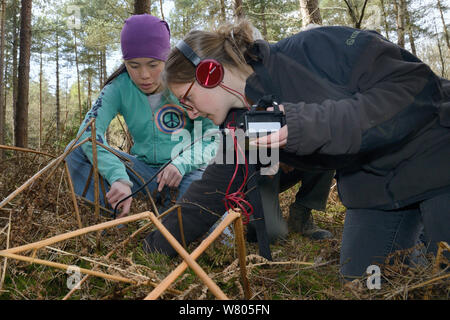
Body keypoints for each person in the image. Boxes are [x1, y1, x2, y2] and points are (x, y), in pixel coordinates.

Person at [143, 20, 450, 280]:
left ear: (209, 73)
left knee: (443, 275)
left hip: (436, 154)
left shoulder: (313, 48)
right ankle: (418, 249)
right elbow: (210, 193)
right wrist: (152, 249)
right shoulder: (243, 123)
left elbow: (415, 87)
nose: (191, 113)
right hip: (375, 188)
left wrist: (306, 126)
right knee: (364, 284)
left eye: (187, 99)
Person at [65, 14, 218, 218]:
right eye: (134, 65)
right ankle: (120, 212)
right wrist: (118, 177)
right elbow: (87, 133)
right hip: (140, 172)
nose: (144, 75)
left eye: (153, 65)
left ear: (167, 58)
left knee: (209, 210)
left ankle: (163, 210)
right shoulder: (119, 87)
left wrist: (181, 163)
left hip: (184, 173)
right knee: (75, 152)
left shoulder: (186, 82)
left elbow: (213, 135)